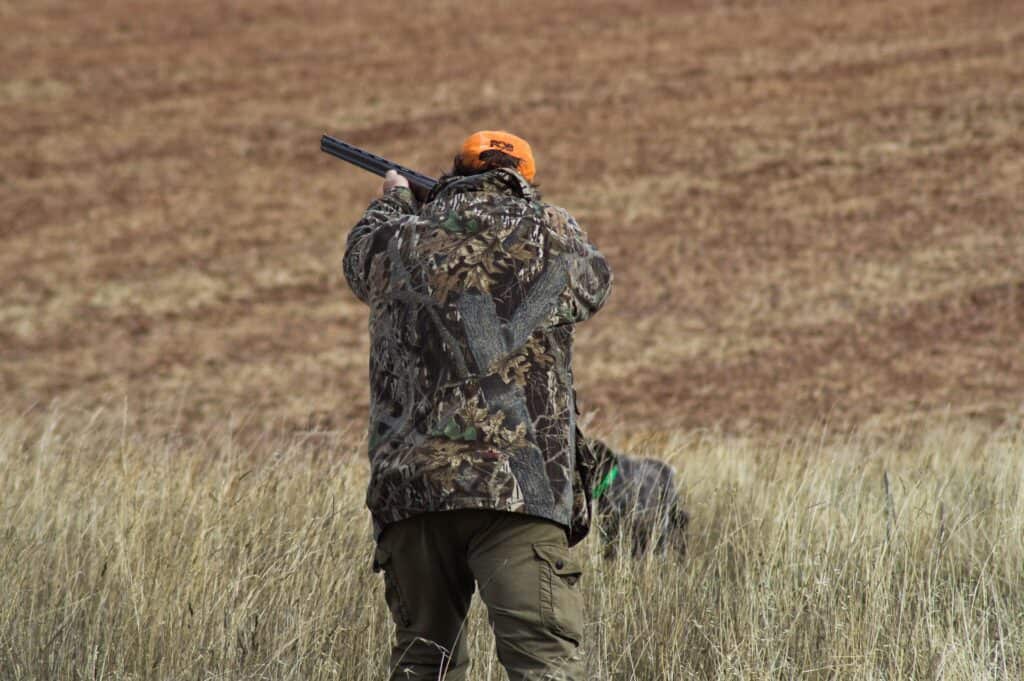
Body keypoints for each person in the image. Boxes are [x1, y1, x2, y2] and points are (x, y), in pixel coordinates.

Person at [343, 130, 612, 680]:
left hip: (414, 488)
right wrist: (540, 217)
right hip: (521, 487)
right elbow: (596, 281)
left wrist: (393, 200)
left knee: (425, 662)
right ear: (525, 182)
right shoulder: (549, 232)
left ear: (453, 173)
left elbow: (357, 261)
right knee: (544, 666)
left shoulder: (399, 238)